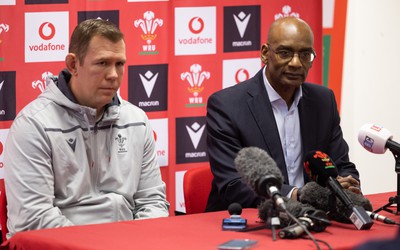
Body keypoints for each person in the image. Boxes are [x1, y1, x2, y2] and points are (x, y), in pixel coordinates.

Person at [3, 19, 169, 238]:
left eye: (119, 64)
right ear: (73, 65)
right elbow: (34, 220)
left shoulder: (136, 119)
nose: (113, 75)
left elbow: (153, 201)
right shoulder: (34, 125)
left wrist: (139, 241)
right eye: (102, 63)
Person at [205, 16, 360, 212]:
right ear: (264, 53)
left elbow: (342, 165)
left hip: (314, 217)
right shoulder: (227, 106)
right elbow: (234, 185)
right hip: (249, 221)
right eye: (285, 53)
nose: (296, 63)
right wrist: (297, 194)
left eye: (305, 54)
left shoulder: (323, 101)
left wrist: (346, 184)